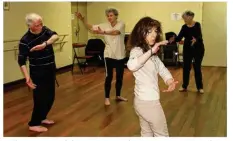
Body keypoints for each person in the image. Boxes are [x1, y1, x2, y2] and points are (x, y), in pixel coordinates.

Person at [127, 17, 178, 137]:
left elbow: (161, 68)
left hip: (144, 101)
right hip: (148, 103)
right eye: (149, 32)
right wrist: (151, 51)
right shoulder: (137, 51)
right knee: (162, 135)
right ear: (140, 33)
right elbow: (132, 65)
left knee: (147, 133)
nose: (153, 35)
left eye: (155, 31)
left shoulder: (151, 52)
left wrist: (169, 80)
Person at [75, 8, 127, 106]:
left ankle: (118, 95)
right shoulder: (104, 25)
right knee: (109, 76)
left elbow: (115, 32)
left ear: (116, 16)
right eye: (108, 16)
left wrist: (102, 32)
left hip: (120, 55)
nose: (109, 17)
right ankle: (107, 98)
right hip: (108, 55)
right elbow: (90, 27)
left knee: (119, 77)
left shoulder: (121, 24)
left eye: (111, 15)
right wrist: (82, 19)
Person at [18, 13, 59, 132]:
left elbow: (55, 36)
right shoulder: (25, 40)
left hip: (50, 69)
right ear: (30, 26)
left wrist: (44, 44)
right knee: (40, 98)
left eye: (41, 23)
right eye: (37, 24)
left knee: (51, 97)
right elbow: (21, 61)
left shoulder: (45, 30)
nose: (41, 26)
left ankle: (42, 117)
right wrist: (27, 78)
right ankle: (33, 123)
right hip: (38, 73)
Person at [169, 10, 205, 94]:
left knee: (197, 68)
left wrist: (195, 39)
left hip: (198, 49)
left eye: (185, 18)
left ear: (190, 17)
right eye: (183, 18)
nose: (184, 20)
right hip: (188, 49)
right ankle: (184, 86)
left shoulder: (197, 25)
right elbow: (179, 38)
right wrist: (173, 38)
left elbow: (199, 36)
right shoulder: (184, 27)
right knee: (186, 68)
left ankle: (200, 87)